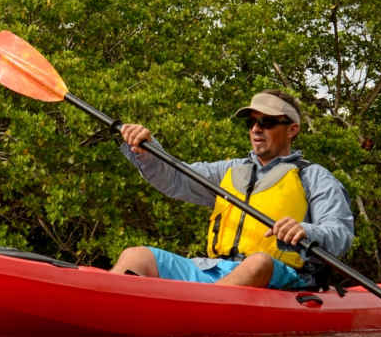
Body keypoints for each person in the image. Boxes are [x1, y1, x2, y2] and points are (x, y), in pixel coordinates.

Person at [112, 89, 353, 289]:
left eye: (267, 122)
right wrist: (146, 149)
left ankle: (197, 313)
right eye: (252, 123)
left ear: (292, 129)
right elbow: (174, 178)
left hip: (280, 276)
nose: (256, 129)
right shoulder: (228, 171)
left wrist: (306, 230)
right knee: (136, 256)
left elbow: (340, 234)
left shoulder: (314, 177)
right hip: (214, 269)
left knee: (259, 262)